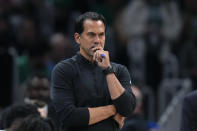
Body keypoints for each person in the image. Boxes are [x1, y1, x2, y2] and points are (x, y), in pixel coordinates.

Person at [51, 12, 136, 131]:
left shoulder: (119, 70)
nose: (97, 40)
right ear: (78, 38)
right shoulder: (63, 70)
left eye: (101, 35)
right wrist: (113, 110)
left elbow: (127, 109)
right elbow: (69, 116)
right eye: (91, 35)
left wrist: (108, 70)